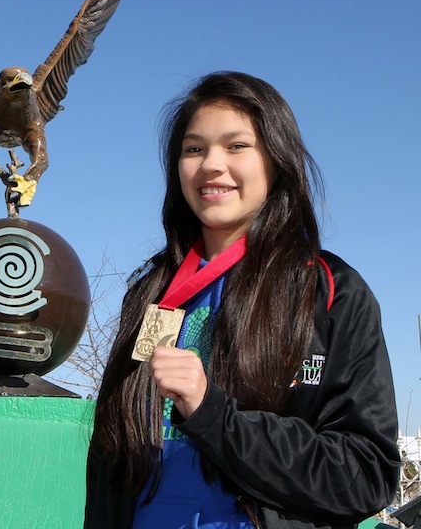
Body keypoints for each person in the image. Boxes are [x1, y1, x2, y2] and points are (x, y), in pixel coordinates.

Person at [85, 72, 400, 528]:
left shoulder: (331, 290)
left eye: (236, 146)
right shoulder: (152, 293)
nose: (211, 164)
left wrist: (214, 414)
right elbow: (111, 459)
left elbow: (363, 475)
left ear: (277, 159)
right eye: (194, 149)